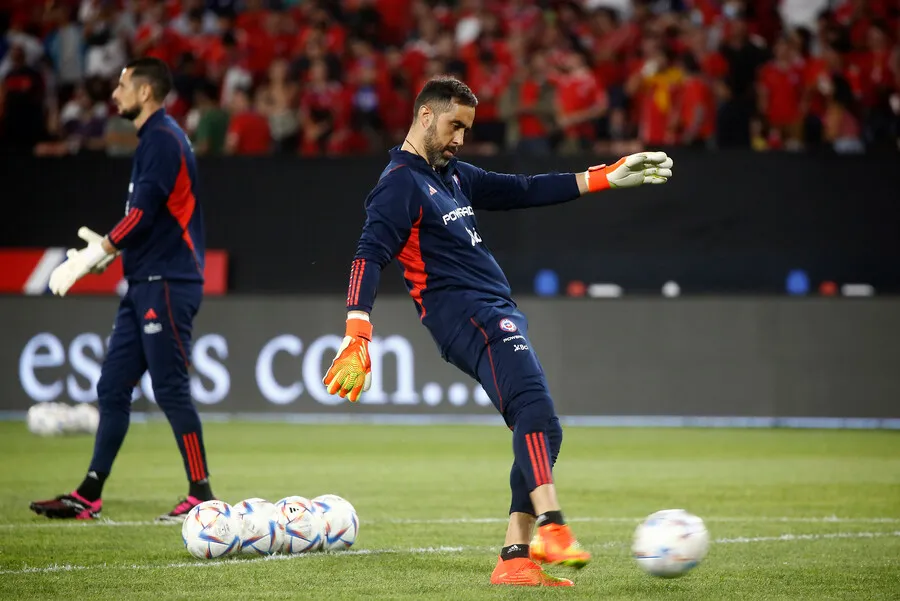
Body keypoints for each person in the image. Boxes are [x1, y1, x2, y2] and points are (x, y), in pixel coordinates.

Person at [322, 77, 673, 587]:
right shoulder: (400, 182)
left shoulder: (453, 176)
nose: (460, 138)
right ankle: (551, 527)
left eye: (467, 128)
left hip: (491, 310)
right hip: (465, 314)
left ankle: (515, 556)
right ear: (424, 117)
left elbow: (524, 189)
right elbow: (368, 252)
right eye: (454, 125)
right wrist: (358, 331)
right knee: (533, 406)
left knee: (542, 430)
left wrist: (603, 177)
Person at [30, 58, 215, 523]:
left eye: (123, 84)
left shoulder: (161, 139)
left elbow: (143, 215)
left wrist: (96, 255)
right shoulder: (156, 138)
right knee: (112, 387)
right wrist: (114, 254)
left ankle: (201, 493)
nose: (115, 93)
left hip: (168, 281)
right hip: (145, 281)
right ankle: (88, 493)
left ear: (146, 93)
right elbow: (148, 218)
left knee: (170, 388)